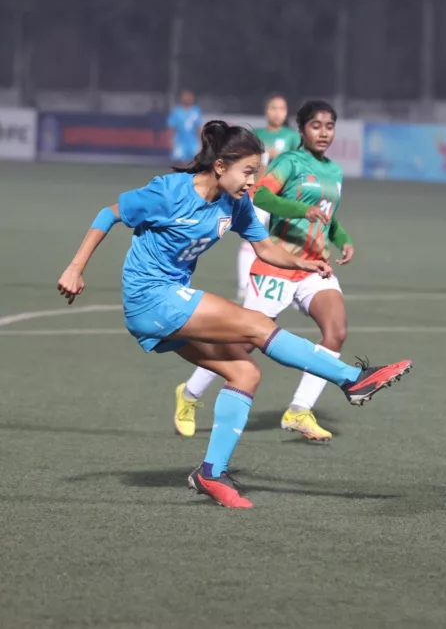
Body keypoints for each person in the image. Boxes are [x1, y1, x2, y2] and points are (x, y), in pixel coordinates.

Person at [57, 121, 412, 509]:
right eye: (247, 172)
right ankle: (352, 380)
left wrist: (304, 263)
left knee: (246, 373)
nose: (252, 181)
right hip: (151, 299)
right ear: (221, 165)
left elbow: (265, 250)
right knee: (259, 326)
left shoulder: (237, 203)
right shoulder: (169, 191)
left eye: (256, 172)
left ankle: (210, 473)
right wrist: (75, 269)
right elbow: (109, 213)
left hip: (170, 302)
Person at [176, 100, 360, 443]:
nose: (323, 132)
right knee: (240, 344)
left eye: (329, 126)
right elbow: (259, 196)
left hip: (313, 267)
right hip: (278, 265)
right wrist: (299, 209)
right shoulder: (289, 163)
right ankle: (189, 396)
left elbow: (327, 216)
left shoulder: (333, 172)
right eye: (316, 125)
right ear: (302, 129)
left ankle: (299, 410)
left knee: (336, 331)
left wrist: (343, 238)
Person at [236, 93, 303, 300]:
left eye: (281, 109)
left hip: (282, 198)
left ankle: (285, 283)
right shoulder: (256, 135)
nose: (277, 112)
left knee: (284, 240)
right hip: (258, 195)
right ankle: (243, 285)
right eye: (273, 108)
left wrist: (280, 156)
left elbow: (300, 164)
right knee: (251, 241)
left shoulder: (292, 137)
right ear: (266, 111)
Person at [167, 89, 203, 168]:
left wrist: (200, 142)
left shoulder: (196, 111)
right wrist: (170, 141)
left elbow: (198, 127)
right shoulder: (176, 111)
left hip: (193, 142)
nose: (188, 98)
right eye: (185, 96)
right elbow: (171, 128)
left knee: (194, 162)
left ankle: (190, 179)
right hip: (179, 142)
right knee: (179, 163)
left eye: (189, 96)